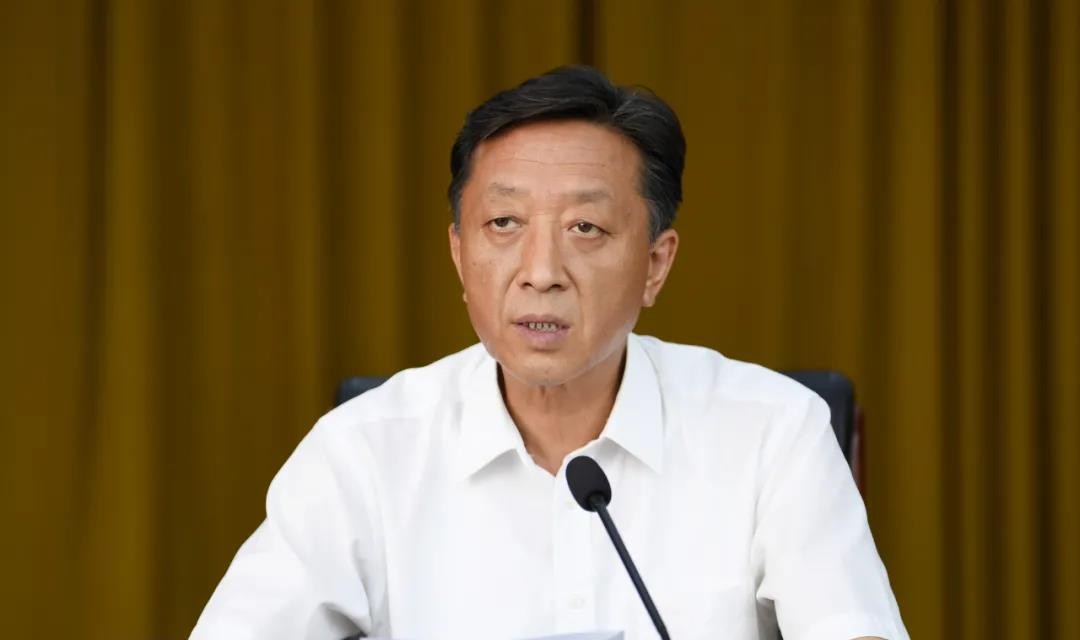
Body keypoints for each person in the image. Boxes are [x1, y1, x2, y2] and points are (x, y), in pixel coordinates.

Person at [191, 65, 908, 640]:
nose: (540, 271)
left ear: (656, 264)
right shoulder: (365, 452)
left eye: (586, 228)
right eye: (504, 223)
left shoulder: (773, 432)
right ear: (459, 254)